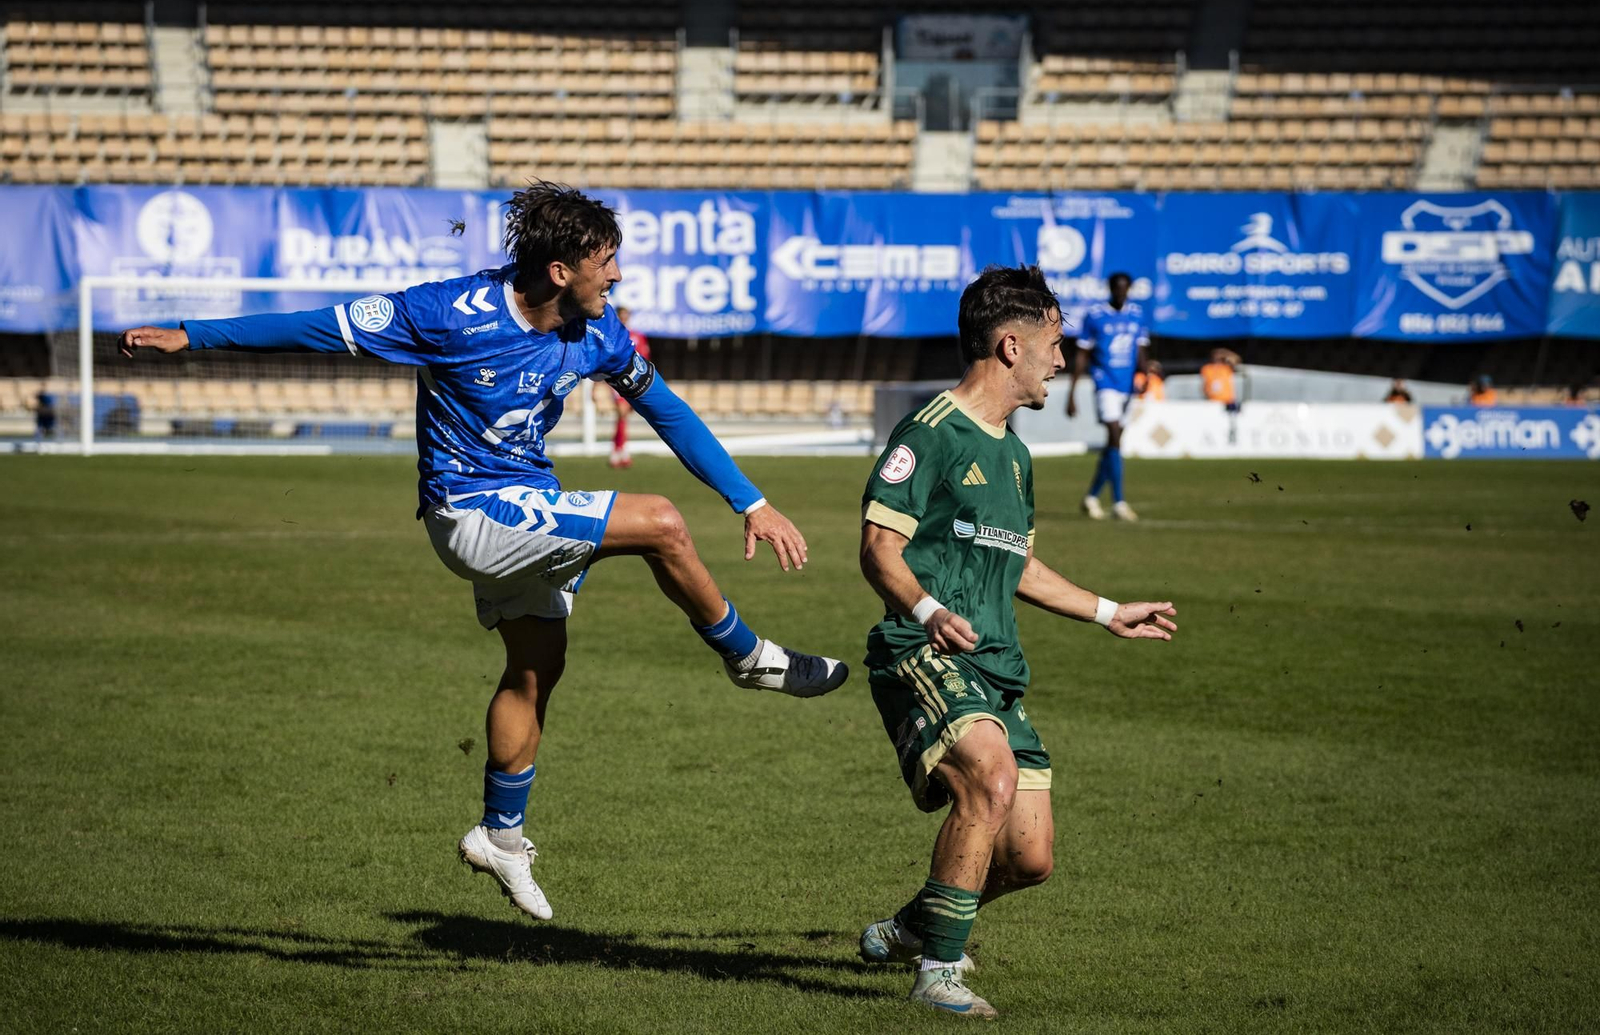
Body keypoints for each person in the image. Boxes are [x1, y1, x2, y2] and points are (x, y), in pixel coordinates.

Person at [117, 181, 847, 923]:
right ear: (560, 270)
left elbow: (667, 409)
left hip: (523, 501)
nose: (618, 275)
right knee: (660, 520)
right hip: (468, 508)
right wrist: (192, 336)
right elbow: (316, 326)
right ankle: (751, 658)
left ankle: (501, 833)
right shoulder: (445, 311)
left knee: (535, 669)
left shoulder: (598, 331)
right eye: (607, 262)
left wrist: (751, 500)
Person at [855, 265, 1178, 1018]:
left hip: (998, 665)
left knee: (1031, 857)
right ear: (1010, 346)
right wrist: (929, 609)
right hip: (923, 650)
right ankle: (939, 973)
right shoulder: (930, 433)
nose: (1062, 360)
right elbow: (877, 549)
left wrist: (1107, 611)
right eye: (1055, 344)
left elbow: (1019, 563)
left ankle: (913, 925)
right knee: (990, 783)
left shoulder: (1017, 455)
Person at [1065, 271, 1146, 521]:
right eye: (1116, 288)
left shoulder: (1137, 314)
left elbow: (1141, 349)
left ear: (1129, 289)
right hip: (1105, 383)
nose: (1121, 293)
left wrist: (1147, 372)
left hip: (1127, 386)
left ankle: (1091, 497)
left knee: (1114, 444)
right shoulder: (1096, 316)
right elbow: (1082, 355)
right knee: (1114, 436)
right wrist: (1072, 391)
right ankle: (1119, 502)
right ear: (1110, 289)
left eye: (1124, 289)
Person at [604, 305, 649, 467]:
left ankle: (617, 449)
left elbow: (644, 357)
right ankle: (620, 451)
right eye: (621, 315)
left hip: (634, 379)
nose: (623, 317)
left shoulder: (637, 336)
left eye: (625, 315)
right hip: (617, 379)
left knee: (623, 417)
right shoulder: (612, 334)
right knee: (622, 414)